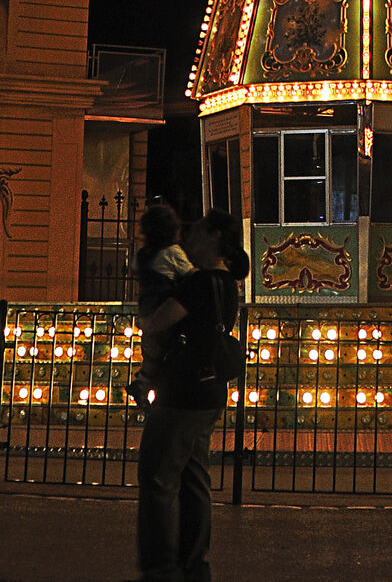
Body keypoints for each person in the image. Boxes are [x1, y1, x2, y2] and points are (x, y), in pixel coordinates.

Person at [135, 212, 242, 582]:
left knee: (158, 479)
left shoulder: (197, 284)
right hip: (211, 390)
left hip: (181, 393)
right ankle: (194, 564)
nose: (187, 237)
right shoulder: (228, 284)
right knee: (195, 479)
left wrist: (147, 316)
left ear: (213, 237)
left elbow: (154, 323)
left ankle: (160, 568)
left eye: (196, 231)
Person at [129, 203, 194, 405]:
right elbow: (192, 275)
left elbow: (134, 271)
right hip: (166, 314)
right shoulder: (173, 253)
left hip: (146, 312)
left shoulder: (142, 254)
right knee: (166, 355)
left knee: (151, 355)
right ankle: (156, 392)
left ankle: (142, 384)